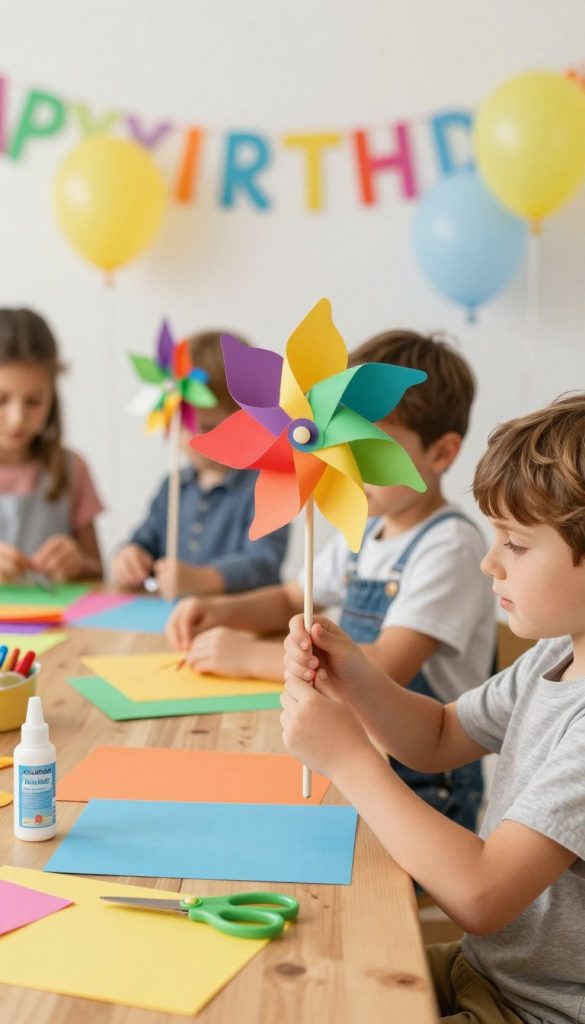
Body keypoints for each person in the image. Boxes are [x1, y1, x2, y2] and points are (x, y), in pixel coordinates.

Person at [281, 393, 585, 1024]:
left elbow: (482, 895)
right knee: (309, 985)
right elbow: (442, 734)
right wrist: (358, 678)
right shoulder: (554, 656)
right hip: (485, 971)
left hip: (538, 1010)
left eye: (517, 545)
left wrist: (348, 760)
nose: (488, 560)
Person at [167, 330, 495, 832]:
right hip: (361, 759)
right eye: (345, 441)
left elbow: (385, 669)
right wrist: (220, 609)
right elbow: (289, 598)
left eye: (371, 446)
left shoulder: (449, 547)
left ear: (442, 453)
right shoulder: (365, 526)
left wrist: (248, 657)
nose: (349, 463)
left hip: (424, 789)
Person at [112, 330, 288, 600]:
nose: (189, 438)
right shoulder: (173, 486)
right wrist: (129, 556)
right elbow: (143, 539)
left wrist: (203, 579)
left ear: (250, 421)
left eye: (206, 426)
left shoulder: (269, 485)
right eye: (182, 423)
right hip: (166, 622)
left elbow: (264, 562)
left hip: (241, 624)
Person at [0, 308, 103, 582]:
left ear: (52, 397)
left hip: (57, 623)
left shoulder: (72, 469)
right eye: (1, 400)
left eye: (34, 401)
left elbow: (98, 572)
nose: (17, 419)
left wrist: (78, 564)